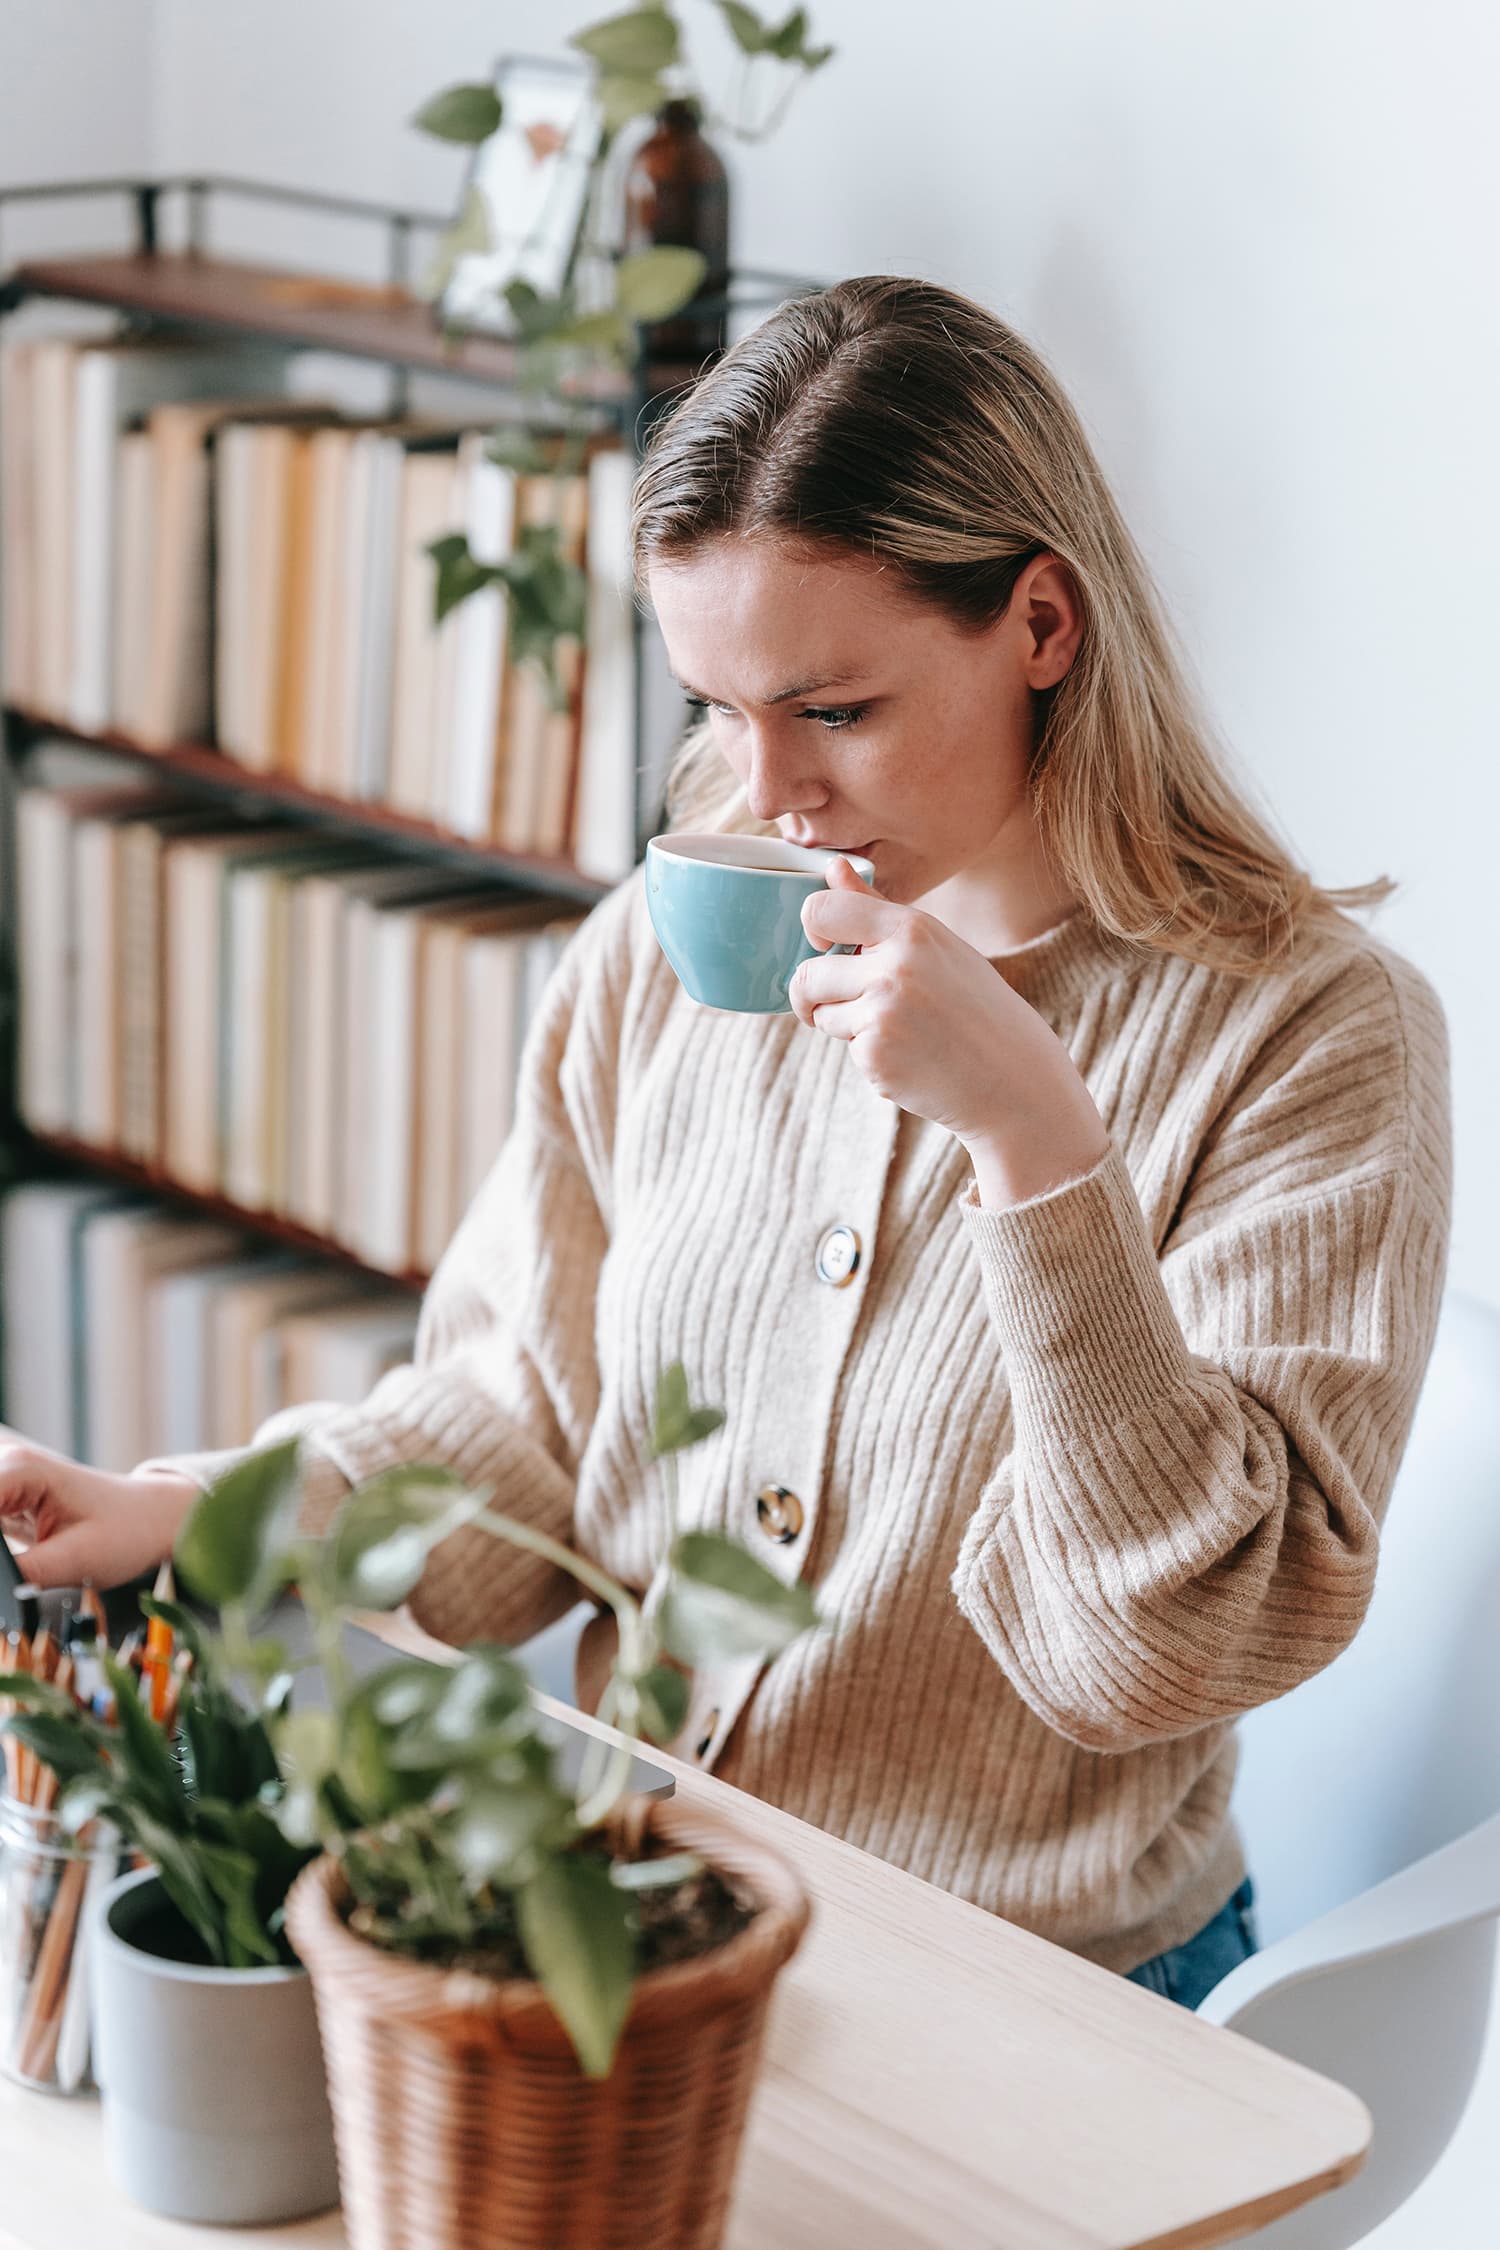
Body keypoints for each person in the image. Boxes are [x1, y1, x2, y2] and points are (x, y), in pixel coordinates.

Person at [0, 277, 1451, 2009]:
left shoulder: (1312, 1034)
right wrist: (197, 1516)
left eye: (833, 709)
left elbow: (1162, 1651)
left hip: (1047, 2002)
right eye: (716, 706)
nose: (768, 794)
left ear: (1043, 623)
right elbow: (522, 1415)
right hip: (638, 1922)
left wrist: (1040, 1147)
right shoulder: (672, 945)